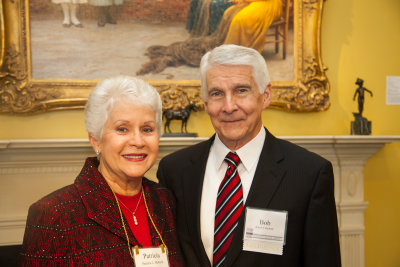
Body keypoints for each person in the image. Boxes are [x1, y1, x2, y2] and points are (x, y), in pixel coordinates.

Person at [157, 44, 341, 266]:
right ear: (205, 103)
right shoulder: (175, 170)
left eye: (241, 90)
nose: (229, 106)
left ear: (265, 96)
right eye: (217, 93)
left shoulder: (309, 175)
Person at [18, 76, 184, 266]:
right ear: (96, 140)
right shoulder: (53, 213)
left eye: (147, 129)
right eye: (122, 129)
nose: (138, 141)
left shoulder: (166, 201)